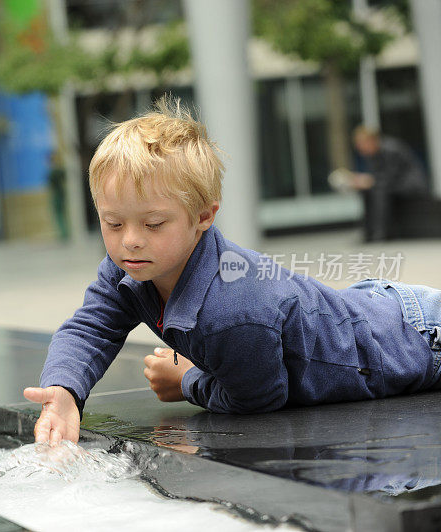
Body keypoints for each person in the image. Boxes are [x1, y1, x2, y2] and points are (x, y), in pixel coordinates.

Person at [23, 99, 441, 445]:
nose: (130, 240)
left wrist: (186, 381)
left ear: (204, 215)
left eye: (153, 224)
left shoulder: (235, 311)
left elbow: (259, 399)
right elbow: (89, 328)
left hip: (414, 340)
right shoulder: (130, 267)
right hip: (373, 310)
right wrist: (64, 391)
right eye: (113, 223)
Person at [350, 126, 429, 241]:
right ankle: (368, 232)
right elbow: (379, 176)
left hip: (409, 184)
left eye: (361, 144)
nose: (360, 148)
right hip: (393, 183)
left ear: (371, 140)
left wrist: (369, 180)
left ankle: (382, 232)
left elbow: (391, 176)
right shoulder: (373, 154)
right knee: (366, 190)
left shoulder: (391, 149)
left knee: (379, 191)